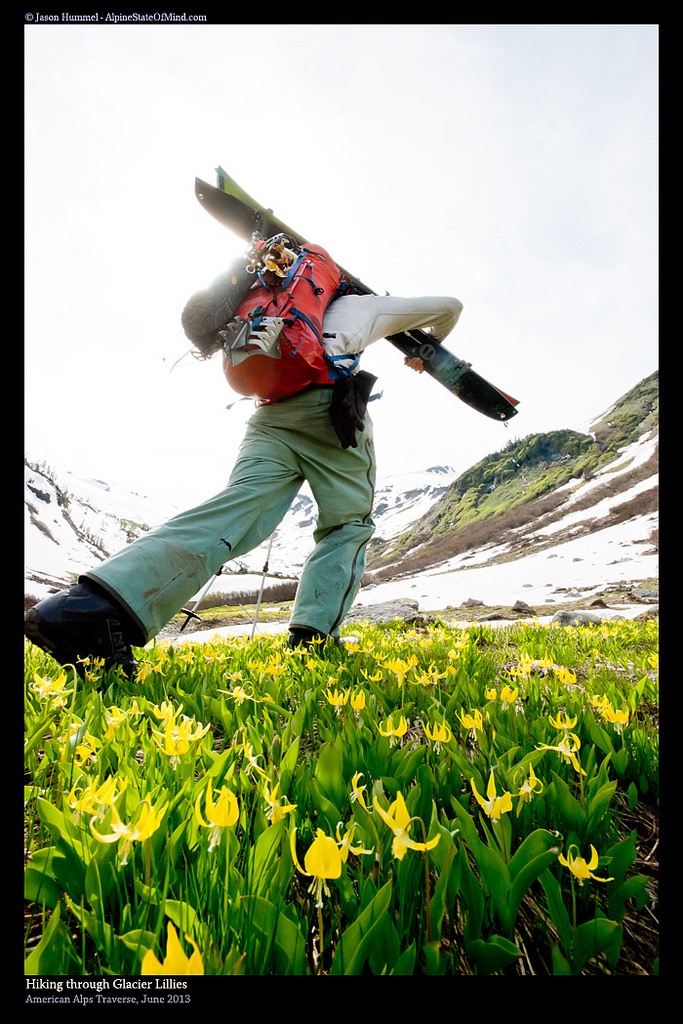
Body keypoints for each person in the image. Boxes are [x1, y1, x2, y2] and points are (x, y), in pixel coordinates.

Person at [24, 240, 463, 677]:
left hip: (268, 416)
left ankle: (90, 609)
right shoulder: (363, 306)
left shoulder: (264, 300)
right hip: (330, 417)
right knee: (347, 524)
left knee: (238, 508)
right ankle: (313, 639)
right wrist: (421, 351)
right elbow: (448, 306)